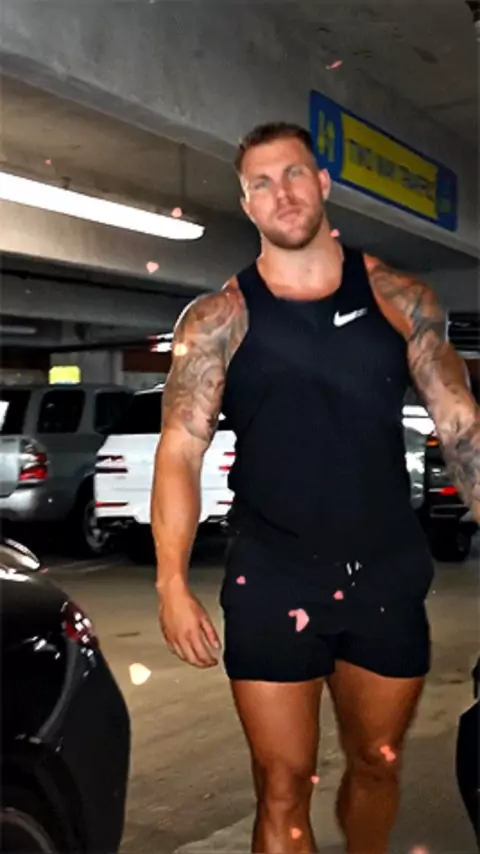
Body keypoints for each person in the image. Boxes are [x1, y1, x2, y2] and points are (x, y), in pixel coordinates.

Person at [151, 122, 480, 854]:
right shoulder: (217, 320)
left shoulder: (401, 299)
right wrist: (171, 581)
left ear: (324, 183)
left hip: (385, 570)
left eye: (294, 173)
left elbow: (461, 426)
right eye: (261, 183)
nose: (282, 193)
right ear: (246, 204)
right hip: (271, 573)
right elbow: (179, 451)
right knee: (281, 783)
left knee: (377, 762)